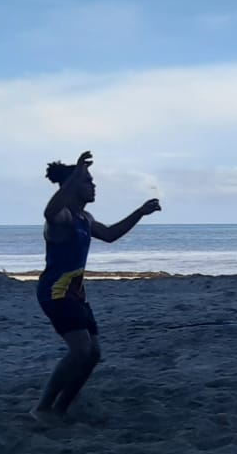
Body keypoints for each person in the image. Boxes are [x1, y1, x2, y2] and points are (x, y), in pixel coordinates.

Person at [32, 151, 161, 421]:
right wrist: (76, 173)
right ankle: (42, 408)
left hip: (76, 293)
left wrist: (140, 212)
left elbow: (111, 235)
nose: (93, 186)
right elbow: (50, 211)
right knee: (80, 350)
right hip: (55, 292)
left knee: (93, 354)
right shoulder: (62, 217)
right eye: (88, 181)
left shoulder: (85, 219)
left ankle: (61, 408)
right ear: (73, 186)